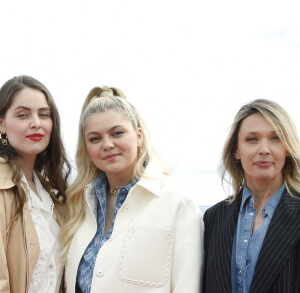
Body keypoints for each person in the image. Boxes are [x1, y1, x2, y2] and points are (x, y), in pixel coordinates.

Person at [61, 86, 204, 293]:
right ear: (87, 148)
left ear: (139, 136)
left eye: (117, 133)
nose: (107, 144)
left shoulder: (178, 205)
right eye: (95, 138)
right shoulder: (78, 206)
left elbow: (188, 287)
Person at [203, 99, 300, 293]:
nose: (264, 149)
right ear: (236, 151)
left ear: (287, 148)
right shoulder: (213, 218)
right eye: (252, 139)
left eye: (276, 138)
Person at [0, 75, 71, 293]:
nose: (36, 123)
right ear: (1, 124)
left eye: (44, 115)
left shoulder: (52, 192)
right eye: (23, 115)